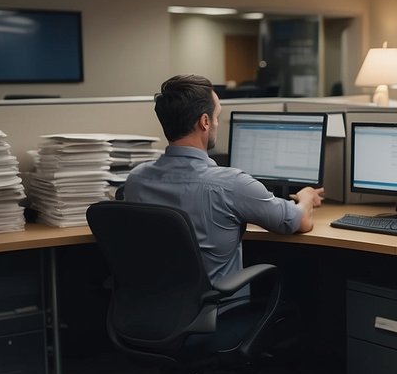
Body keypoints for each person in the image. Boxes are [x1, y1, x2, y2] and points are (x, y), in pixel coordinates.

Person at [125, 74, 324, 285]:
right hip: (216, 310)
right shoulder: (230, 185)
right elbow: (299, 221)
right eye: (217, 115)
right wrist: (307, 197)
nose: (218, 123)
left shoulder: (136, 180)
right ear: (204, 121)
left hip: (149, 307)